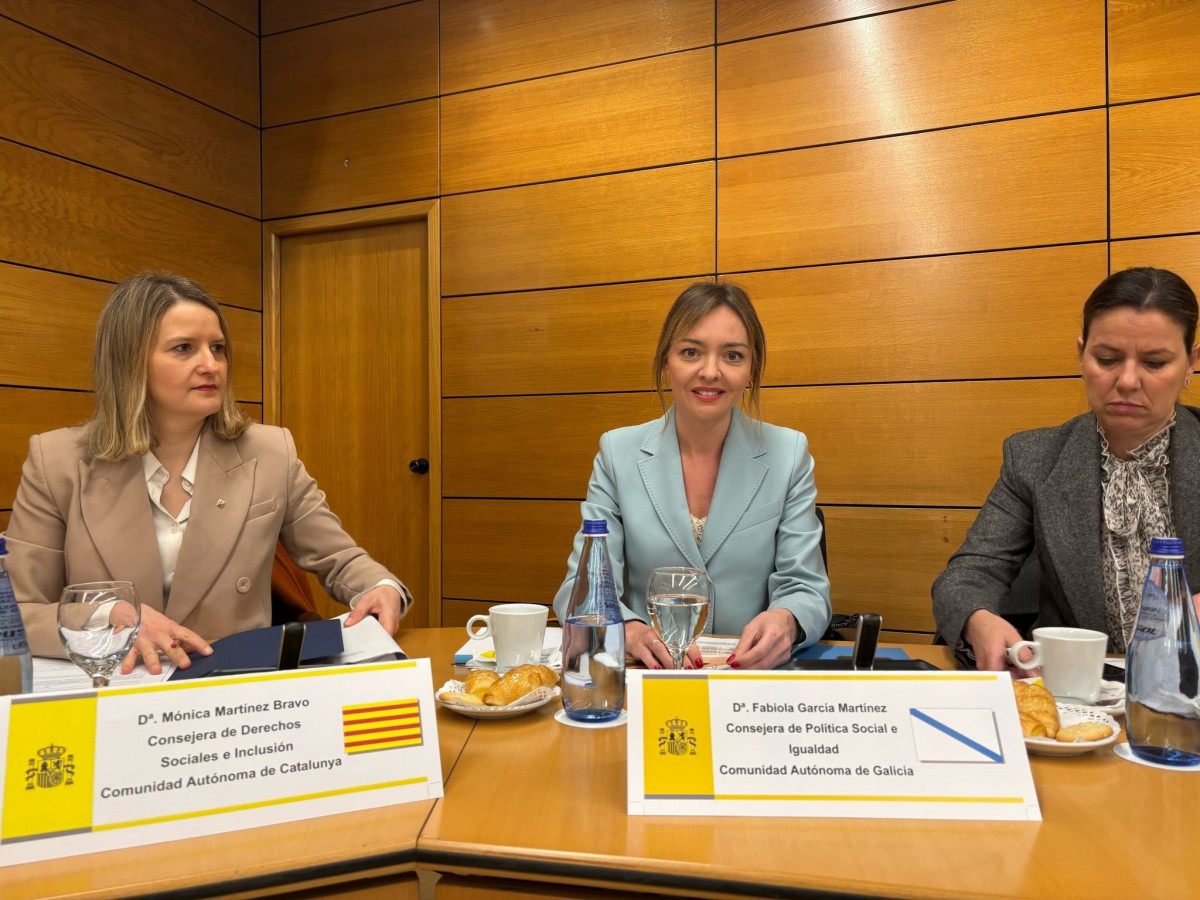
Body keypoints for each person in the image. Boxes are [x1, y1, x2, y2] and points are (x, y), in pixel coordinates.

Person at [5, 272, 410, 673]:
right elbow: (18, 612)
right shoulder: (56, 460)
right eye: (184, 348)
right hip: (116, 688)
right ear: (129, 362)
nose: (210, 364)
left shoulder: (270, 452)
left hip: (234, 688)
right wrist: (109, 616)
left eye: (218, 348)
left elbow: (340, 558)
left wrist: (381, 588)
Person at [551, 282, 831, 670]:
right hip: (646, 675)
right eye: (690, 352)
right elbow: (580, 589)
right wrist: (626, 629)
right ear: (667, 361)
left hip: (747, 678)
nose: (710, 371)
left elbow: (807, 588)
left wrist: (787, 621)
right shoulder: (618, 453)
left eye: (733, 355)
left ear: (752, 369)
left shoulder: (789, 454)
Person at [933, 266, 1200, 670]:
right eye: (1107, 359)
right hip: (1075, 691)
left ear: (1191, 364)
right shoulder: (1035, 458)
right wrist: (977, 619)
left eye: (1155, 362)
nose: (1127, 380)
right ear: (1081, 354)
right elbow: (970, 572)